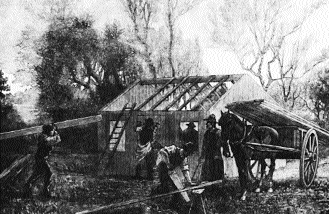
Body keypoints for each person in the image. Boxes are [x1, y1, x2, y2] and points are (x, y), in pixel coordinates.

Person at [23, 123, 61, 198]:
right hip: (40, 158)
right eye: (53, 130)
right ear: (48, 130)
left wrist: (55, 134)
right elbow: (54, 140)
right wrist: (56, 135)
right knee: (48, 173)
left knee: (38, 173)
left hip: (42, 157)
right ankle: (44, 191)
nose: (54, 131)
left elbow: (57, 140)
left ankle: (27, 187)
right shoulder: (43, 137)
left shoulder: (47, 136)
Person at [155, 142, 195, 209]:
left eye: (189, 154)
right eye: (187, 153)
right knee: (164, 185)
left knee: (177, 186)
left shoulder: (184, 157)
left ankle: (175, 204)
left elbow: (185, 169)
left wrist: (189, 181)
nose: (187, 155)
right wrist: (167, 163)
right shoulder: (174, 149)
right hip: (162, 164)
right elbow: (162, 151)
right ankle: (159, 201)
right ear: (184, 150)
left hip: (171, 168)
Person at [199, 114, 230, 182]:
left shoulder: (218, 132)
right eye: (207, 123)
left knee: (216, 169)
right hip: (208, 154)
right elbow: (204, 145)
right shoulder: (206, 133)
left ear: (212, 123)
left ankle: (217, 182)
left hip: (216, 154)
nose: (206, 125)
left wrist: (226, 151)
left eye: (208, 123)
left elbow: (224, 142)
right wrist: (202, 154)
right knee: (208, 169)